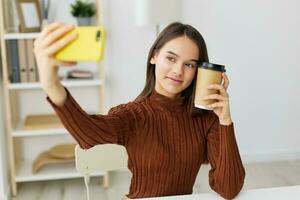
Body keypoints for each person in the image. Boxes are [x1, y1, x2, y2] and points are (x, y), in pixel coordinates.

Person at [34, 21, 246, 200]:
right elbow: (89, 134)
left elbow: (229, 189)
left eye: (189, 65)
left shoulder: (206, 119)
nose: (177, 71)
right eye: (171, 58)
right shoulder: (133, 115)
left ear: (198, 71)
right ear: (154, 56)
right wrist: (51, 84)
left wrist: (225, 120)